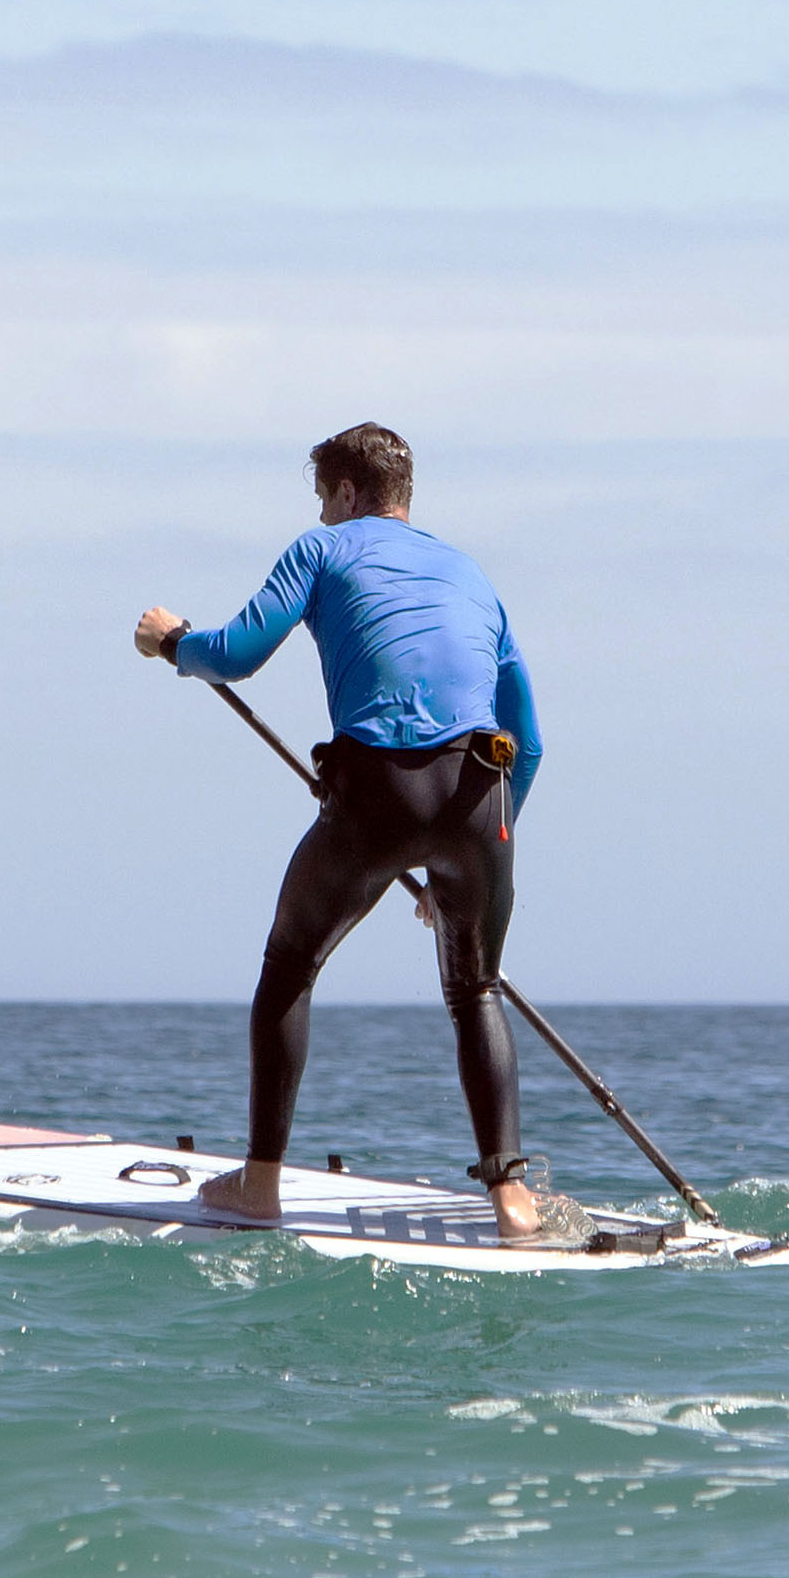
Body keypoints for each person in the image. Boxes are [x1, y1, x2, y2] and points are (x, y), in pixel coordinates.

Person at [134, 422, 545, 1237]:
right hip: (481, 801)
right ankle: (512, 1197)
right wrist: (466, 868)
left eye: (325, 499)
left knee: (289, 965)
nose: (322, 516)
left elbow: (238, 653)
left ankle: (260, 1184)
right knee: (476, 990)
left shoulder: (322, 553)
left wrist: (173, 641)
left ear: (349, 493)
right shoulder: (470, 573)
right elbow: (527, 742)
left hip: (380, 793)